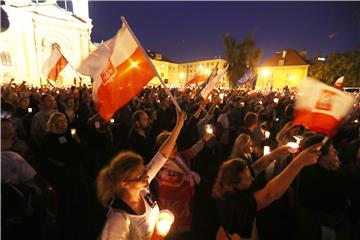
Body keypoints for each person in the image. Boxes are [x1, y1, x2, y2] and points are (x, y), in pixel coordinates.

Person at [97, 109, 186, 240]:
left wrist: (179, 125)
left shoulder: (143, 189)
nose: (146, 175)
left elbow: (162, 156)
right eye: (140, 175)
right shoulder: (118, 218)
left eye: (144, 170)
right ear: (124, 183)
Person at [212, 141, 322, 239]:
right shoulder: (237, 203)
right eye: (248, 179)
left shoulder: (226, 185)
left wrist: (277, 152)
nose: (252, 178)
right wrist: (299, 162)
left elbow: (256, 167)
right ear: (234, 184)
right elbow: (270, 193)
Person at [152, 131, 214, 238]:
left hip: (187, 201)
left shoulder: (178, 156)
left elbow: (192, 151)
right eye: (172, 146)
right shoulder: (161, 167)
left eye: (175, 144)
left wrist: (204, 139)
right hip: (175, 207)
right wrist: (191, 177)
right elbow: (169, 186)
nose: (175, 148)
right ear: (164, 148)